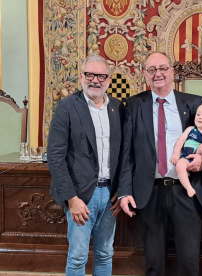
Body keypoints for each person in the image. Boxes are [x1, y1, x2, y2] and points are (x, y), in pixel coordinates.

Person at [118, 51, 202, 276]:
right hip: (149, 193)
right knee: (153, 264)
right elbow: (126, 153)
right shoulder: (133, 104)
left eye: (163, 68)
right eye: (152, 70)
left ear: (172, 71)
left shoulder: (194, 103)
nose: (158, 74)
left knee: (189, 262)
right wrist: (124, 191)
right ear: (145, 74)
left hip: (186, 192)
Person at [48, 54, 124, 276]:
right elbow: (55, 156)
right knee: (78, 256)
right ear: (81, 76)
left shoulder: (118, 108)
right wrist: (72, 200)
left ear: (108, 80)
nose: (95, 80)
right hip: (81, 196)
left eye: (101, 76)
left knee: (105, 254)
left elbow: (126, 153)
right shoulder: (66, 107)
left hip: (110, 195)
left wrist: (123, 189)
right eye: (90, 74)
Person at [170, 103, 202, 197]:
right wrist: (176, 153)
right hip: (186, 156)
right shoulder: (190, 129)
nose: (200, 117)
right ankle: (188, 187)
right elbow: (181, 140)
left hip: (199, 153)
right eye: (198, 115)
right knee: (180, 165)